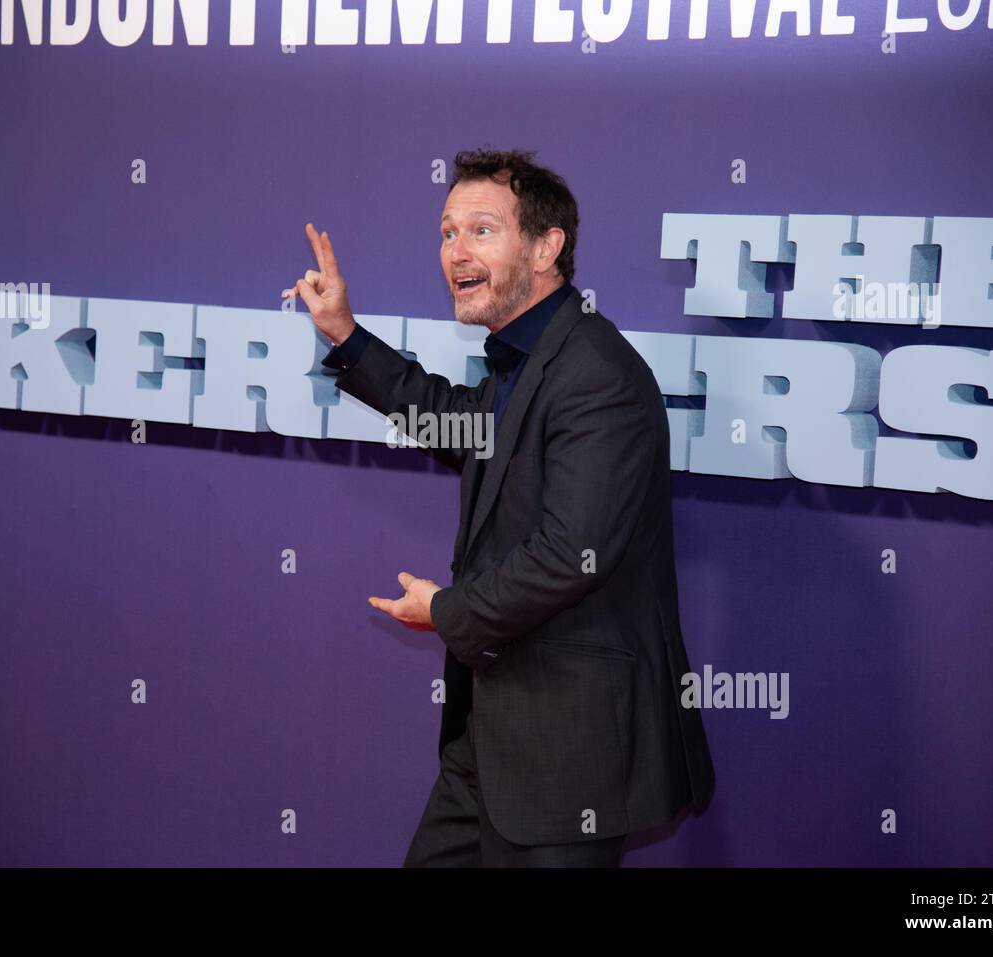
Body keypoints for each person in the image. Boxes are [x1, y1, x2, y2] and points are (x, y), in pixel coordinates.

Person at [284, 148, 714, 867]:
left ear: (547, 247)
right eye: (448, 232)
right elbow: (460, 425)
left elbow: (569, 553)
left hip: (567, 752)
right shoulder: (526, 357)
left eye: (481, 230)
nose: (456, 250)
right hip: (489, 737)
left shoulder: (596, 374)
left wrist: (446, 612)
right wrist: (346, 336)